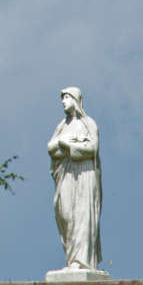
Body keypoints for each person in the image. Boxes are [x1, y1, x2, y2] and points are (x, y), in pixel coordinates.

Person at [47, 86, 102, 271]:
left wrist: (68, 146)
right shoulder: (62, 126)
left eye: (66, 98)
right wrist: (66, 145)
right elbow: (51, 148)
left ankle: (80, 262)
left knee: (81, 215)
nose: (63, 102)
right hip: (66, 175)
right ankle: (71, 260)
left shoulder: (88, 124)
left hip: (84, 175)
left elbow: (92, 149)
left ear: (76, 100)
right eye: (62, 98)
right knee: (65, 215)